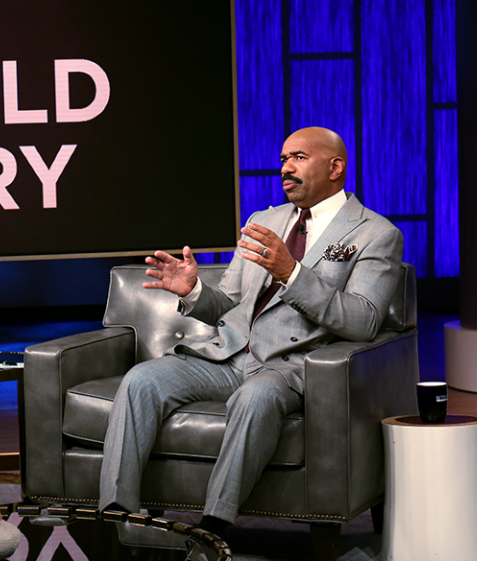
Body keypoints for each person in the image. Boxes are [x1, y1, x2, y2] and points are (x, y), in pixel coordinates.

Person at [98, 127, 404, 534]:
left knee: (255, 397)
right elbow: (229, 305)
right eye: (283, 160)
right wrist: (194, 290)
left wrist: (291, 273)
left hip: (289, 368)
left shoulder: (375, 233)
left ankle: (213, 525)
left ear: (336, 167)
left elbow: (362, 321)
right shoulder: (265, 220)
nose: (286, 168)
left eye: (298, 157)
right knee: (142, 379)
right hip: (229, 355)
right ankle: (118, 515)